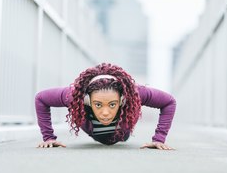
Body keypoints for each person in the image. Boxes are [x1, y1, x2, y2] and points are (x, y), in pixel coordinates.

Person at [35, 63, 176, 150]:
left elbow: (169, 102)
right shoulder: (75, 96)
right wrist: (49, 138)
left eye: (112, 104)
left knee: (123, 130)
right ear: (87, 100)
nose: (105, 113)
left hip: (122, 135)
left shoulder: (134, 94)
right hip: (94, 134)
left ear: (122, 100)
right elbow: (41, 98)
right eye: (98, 105)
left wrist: (159, 139)